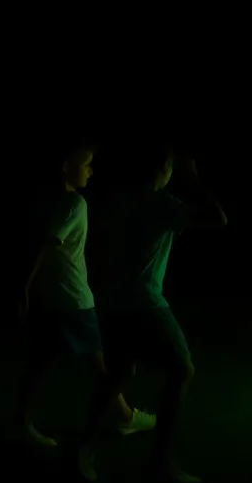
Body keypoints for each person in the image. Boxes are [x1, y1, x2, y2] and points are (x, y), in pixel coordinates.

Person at [76, 146, 226, 483]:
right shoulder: (162, 205)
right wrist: (195, 179)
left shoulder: (118, 200)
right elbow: (218, 219)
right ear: (164, 168)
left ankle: (83, 448)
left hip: (113, 301)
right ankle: (160, 461)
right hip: (144, 302)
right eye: (172, 166)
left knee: (118, 373)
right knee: (181, 370)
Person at [18, 139, 153, 447]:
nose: (91, 172)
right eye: (87, 164)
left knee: (39, 364)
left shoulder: (44, 201)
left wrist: (27, 288)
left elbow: (39, 245)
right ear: (66, 166)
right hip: (74, 300)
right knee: (100, 366)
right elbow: (47, 245)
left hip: (50, 299)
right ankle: (124, 419)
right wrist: (23, 286)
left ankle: (22, 422)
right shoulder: (75, 204)